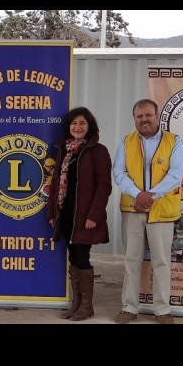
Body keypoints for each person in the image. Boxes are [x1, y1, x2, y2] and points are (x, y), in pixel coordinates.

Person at [113, 99, 183, 324]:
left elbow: (175, 175)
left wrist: (148, 197)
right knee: (131, 260)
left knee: (161, 262)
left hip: (161, 210)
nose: (144, 119)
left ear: (157, 116)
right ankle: (129, 308)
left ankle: (162, 310)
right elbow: (119, 173)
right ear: (134, 118)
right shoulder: (126, 141)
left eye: (148, 115)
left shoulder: (174, 141)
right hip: (132, 209)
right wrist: (138, 195)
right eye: (139, 116)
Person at [46, 107, 112, 321]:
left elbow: (104, 186)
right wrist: (52, 213)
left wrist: (94, 215)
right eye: (74, 123)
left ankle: (87, 306)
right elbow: (55, 184)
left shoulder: (98, 151)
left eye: (82, 123)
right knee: (73, 257)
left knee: (83, 258)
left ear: (89, 126)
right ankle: (76, 303)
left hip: (84, 216)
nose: (78, 127)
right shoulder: (64, 151)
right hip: (66, 215)